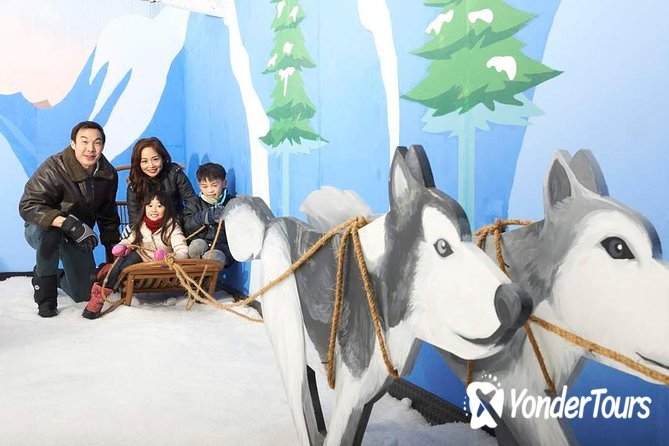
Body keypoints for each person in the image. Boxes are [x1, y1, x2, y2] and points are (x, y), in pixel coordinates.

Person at [19, 121, 120, 317]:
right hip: (41, 228)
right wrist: (66, 223)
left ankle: (51, 275)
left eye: (97, 142)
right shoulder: (53, 167)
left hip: (77, 236)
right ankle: (46, 299)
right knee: (50, 234)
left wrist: (113, 255)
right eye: (84, 141)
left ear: (102, 146)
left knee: (83, 294)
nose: (90, 149)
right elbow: (27, 205)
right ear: (73, 143)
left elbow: (108, 216)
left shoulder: (108, 175)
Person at [83, 190, 188, 319]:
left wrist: (168, 257)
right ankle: (100, 295)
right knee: (126, 259)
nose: (153, 209)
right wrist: (122, 246)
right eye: (150, 205)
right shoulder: (141, 225)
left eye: (159, 206)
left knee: (123, 264)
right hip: (141, 257)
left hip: (158, 265)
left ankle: (107, 269)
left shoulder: (172, 227)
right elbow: (129, 240)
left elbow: (182, 251)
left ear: (167, 209)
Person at [125, 137, 197, 231]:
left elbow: (191, 200)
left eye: (155, 159)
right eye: (145, 161)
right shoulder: (134, 184)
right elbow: (134, 218)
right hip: (147, 231)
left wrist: (180, 222)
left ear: (163, 158)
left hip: (176, 226)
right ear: (138, 164)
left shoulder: (174, 173)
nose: (151, 165)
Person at [183, 162, 235, 267]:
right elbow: (187, 225)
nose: (210, 190)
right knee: (196, 246)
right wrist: (206, 217)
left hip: (223, 248)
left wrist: (225, 219)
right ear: (199, 186)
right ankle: (194, 274)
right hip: (202, 242)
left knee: (212, 259)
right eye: (205, 186)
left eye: (214, 185)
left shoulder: (232, 202)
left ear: (224, 183)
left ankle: (208, 276)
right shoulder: (194, 203)